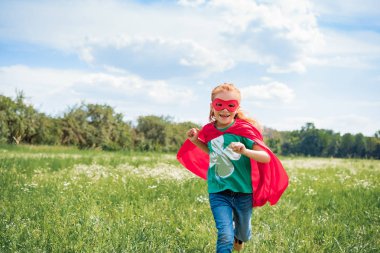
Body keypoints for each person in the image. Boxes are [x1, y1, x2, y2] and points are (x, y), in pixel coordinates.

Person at [177, 83, 288, 252]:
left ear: (237, 107)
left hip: (243, 192)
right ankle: (231, 239)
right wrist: (195, 141)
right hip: (218, 191)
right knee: (224, 235)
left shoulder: (244, 130)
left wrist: (245, 150)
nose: (224, 110)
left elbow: (265, 157)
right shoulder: (208, 130)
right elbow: (212, 151)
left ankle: (240, 237)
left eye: (231, 105)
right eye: (219, 104)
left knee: (243, 233)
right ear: (212, 106)